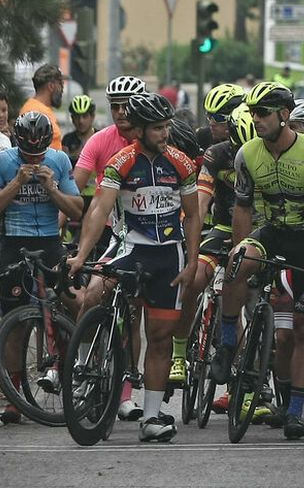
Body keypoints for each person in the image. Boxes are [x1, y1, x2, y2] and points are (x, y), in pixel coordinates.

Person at [67, 93, 199, 443]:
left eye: (166, 126)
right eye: (157, 128)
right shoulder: (121, 162)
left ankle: (152, 417)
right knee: (93, 294)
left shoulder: (182, 164)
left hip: (169, 255)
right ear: (139, 130)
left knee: (159, 337)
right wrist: (82, 254)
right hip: (129, 248)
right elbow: (98, 210)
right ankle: (84, 367)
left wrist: (193, 259)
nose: (164, 133)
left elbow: (195, 215)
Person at [215, 82, 304, 440]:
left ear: (285, 115)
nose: (257, 120)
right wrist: (241, 252)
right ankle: (226, 344)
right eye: (253, 113)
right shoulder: (247, 154)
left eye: (263, 113)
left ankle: (295, 410)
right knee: (236, 262)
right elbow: (242, 208)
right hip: (272, 231)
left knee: (303, 326)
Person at [0, 112, 82, 424]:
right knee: (17, 327)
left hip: (51, 241)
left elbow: (77, 208)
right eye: (28, 153)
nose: (34, 158)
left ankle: (67, 377)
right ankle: (14, 398)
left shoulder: (60, 160)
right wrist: (17, 182)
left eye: (38, 153)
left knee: (67, 305)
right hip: (14, 242)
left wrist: (52, 188)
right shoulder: (1, 161)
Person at [19, 64, 66, 148]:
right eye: (61, 84)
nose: (62, 90)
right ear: (51, 86)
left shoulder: (40, 109)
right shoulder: (34, 112)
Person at [66, 94, 97, 161]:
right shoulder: (67, 140)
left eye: (85, 116)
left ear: (92, 117)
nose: (81, 121)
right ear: (72, 118)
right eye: (77, 117)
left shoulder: (101, 138)